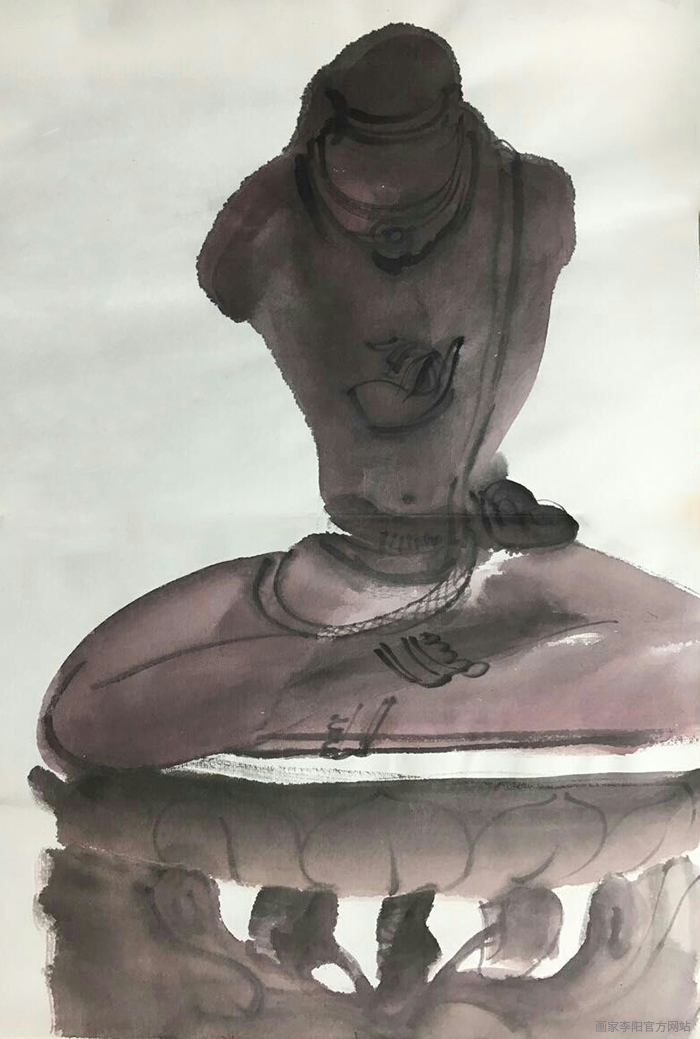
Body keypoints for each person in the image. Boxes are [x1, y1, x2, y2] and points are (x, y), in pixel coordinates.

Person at [38, 25, 700, 775]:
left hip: (497, 550)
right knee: (84, 714)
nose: (395, 231)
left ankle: (392, 698)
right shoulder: (268, 220)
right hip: (346, 573)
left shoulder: (535, 200)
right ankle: (372, 691)